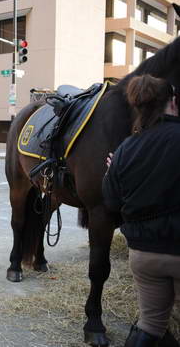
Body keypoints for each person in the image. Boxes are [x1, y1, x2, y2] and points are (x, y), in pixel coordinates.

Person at [102, 74, 180, 347]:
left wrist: (112, 173)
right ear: (172, 102)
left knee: (150, 324)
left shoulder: (126, 149)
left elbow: (111, 202)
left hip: (143, 254)